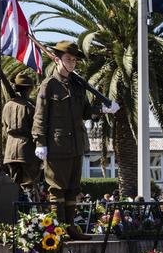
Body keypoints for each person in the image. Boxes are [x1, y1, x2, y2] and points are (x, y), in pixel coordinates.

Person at [32, 41, 118, 238]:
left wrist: (103, 109)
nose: (72, 63)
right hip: (57, 146)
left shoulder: (77, 85)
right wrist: (40, 142)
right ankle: (58, 230)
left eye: (74, 60)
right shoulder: (49, 85)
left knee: (72, 189)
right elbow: (40, 116)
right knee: (57, 189)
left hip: (76, 145)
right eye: (68, 59)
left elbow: (86, 111)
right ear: (57, 59)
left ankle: (70, 228)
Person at [1, 72, 41, 202]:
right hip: (26, 150)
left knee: (15, 184)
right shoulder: (31, 108)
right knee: (30, 185)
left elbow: (4, 127)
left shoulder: (7, 106)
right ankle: (35, 217)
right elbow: (36, 130)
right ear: (29, 89)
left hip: (10, 151)